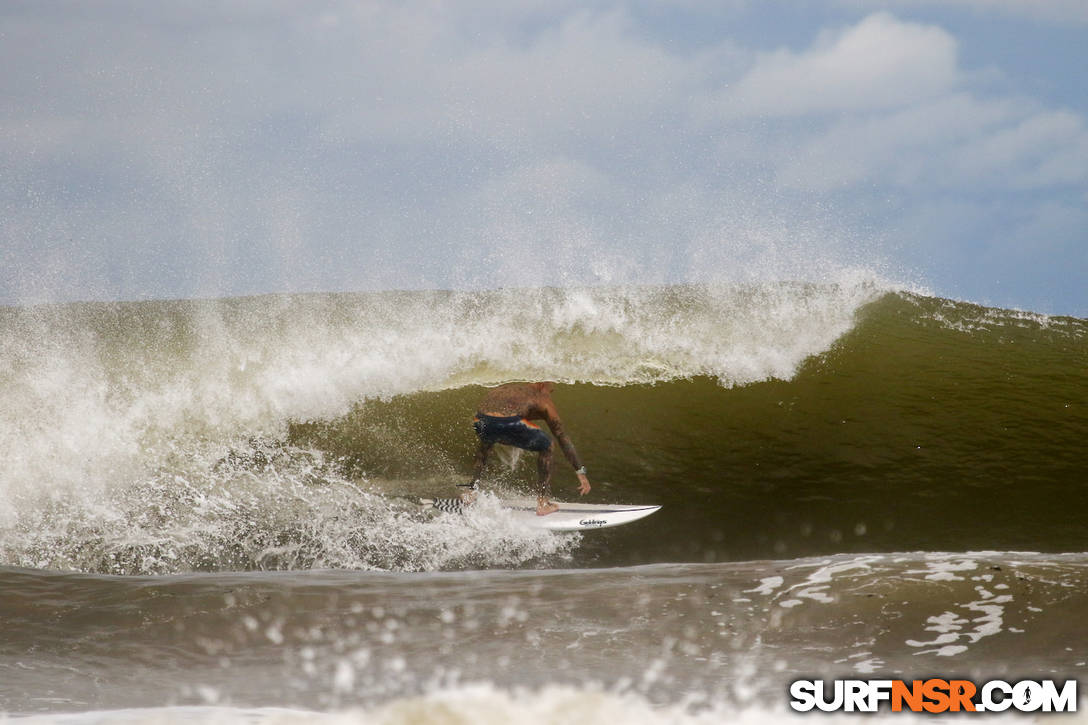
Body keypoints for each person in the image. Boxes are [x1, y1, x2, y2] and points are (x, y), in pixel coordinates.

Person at [465, 382, 590, 516]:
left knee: (486, 442)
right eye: (550, 389)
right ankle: (543, 504)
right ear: (542, 385)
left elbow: (497, 416)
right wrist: (580, 471)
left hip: (480, 421)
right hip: (508, 423)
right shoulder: (542, 398)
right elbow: (562, 437)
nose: (550, 392)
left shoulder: (509, 388)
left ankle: (471, 491)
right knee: (547, 446)